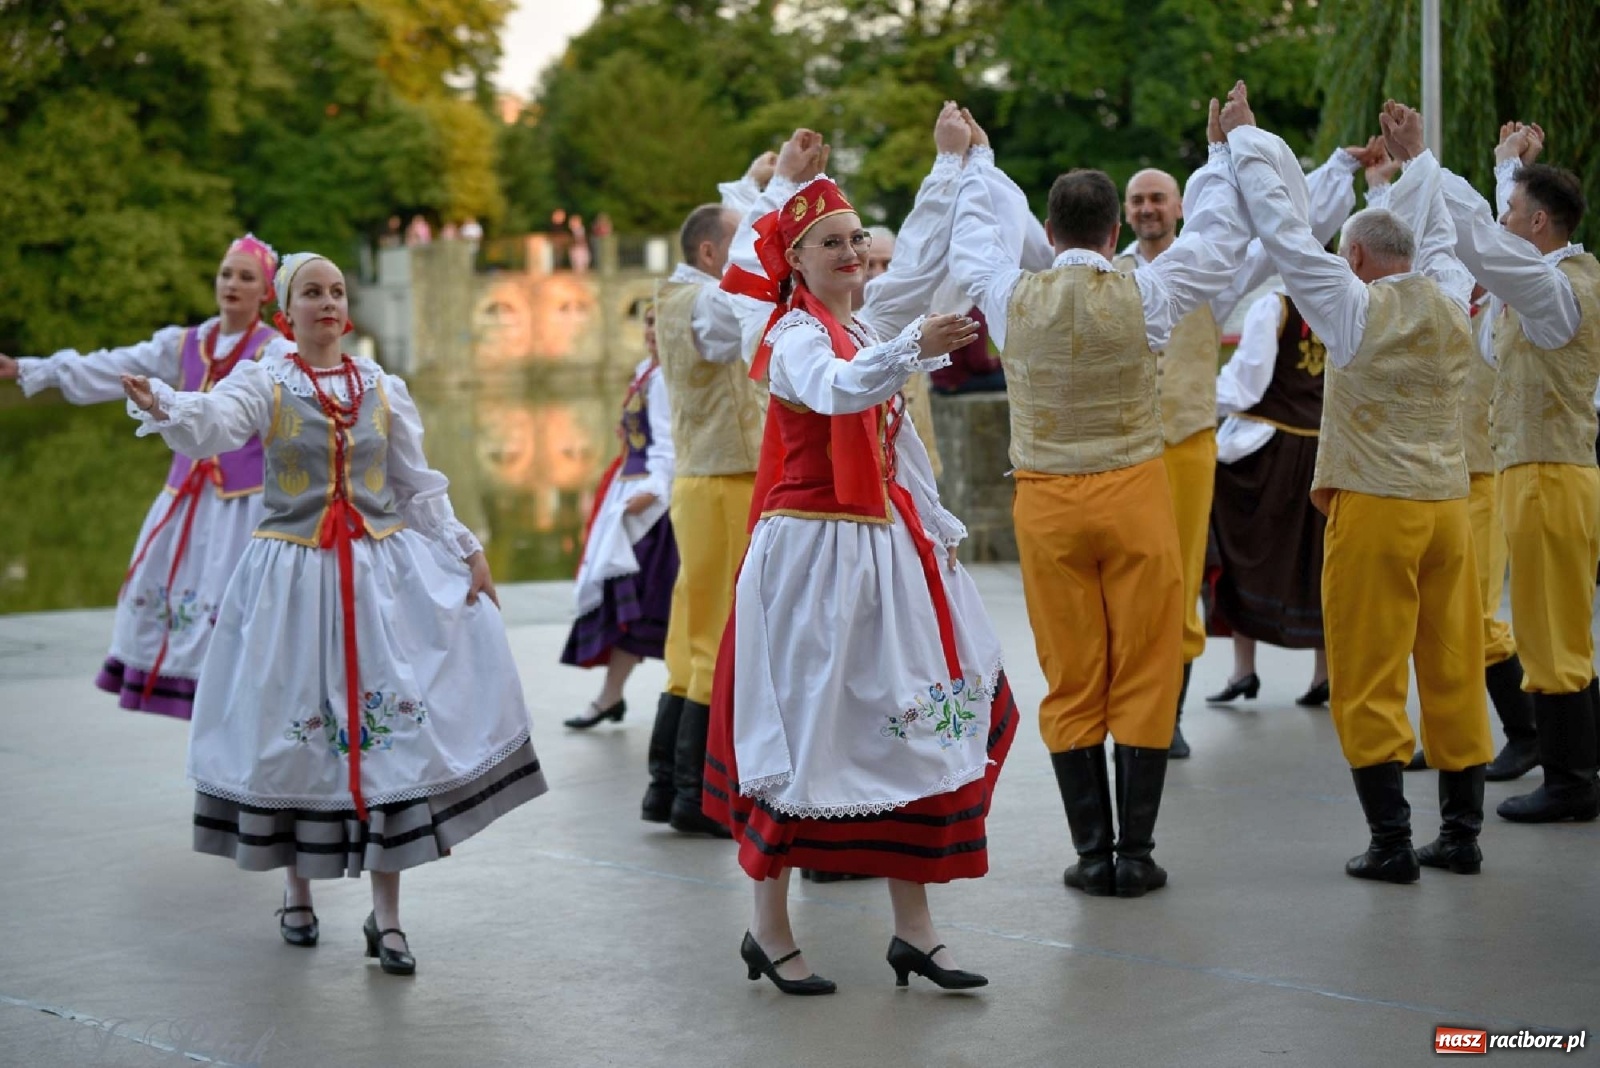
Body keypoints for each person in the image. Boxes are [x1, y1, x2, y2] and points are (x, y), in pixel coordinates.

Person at [120, 252, 547, 974]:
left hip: (378, 582)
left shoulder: (380, 385)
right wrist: (166, 403)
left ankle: (388, 919)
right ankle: (299, 894)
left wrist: (466, 549)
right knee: (298, 734)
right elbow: (217, 424)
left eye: (337, 291)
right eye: (311, 292)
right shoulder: (266, 380)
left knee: (390, 741)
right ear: (288, 312)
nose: (327, 302)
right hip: (291, 581)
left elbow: (415, 487)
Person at [704, 119, 1019, 995]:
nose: (851, 254)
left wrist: (953, 166)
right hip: (811, 559)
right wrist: (915, 346)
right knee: (804, 739)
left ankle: (914, 930)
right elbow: (840, 390)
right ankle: (767, 928)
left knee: (909, 729)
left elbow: (914, 259)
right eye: (829, 244)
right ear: (794, 263)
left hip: (886, 554)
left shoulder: (866, 320)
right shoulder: (791, 337)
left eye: (854, 241)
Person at [951, 96, 1249, 897]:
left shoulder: (1012, 298)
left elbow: (972, 238)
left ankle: (1091, 853)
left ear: (1049, 235)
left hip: (1048, 503)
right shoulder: (1144, 291)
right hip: (1135, 491)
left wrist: (973, 158)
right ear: (1117, 232)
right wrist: (1221, 154)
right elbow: (1215, 241)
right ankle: (1137, 853)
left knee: (1073, 671)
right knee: (1146, 665)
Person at [1229, 91, 1493, 882]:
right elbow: (1439, 233)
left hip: (1376, 505)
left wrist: (1246, 143)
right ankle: (1462, 834)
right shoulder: (1449, 296)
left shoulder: (1349, 305)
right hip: (1448, 505)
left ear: (1353, 259)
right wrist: (1417, 160)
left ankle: (1389, 843)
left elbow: (1283, 232)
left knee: (1371, 670)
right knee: (1453, 662)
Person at [1116, 140, 1370, 753]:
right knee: (1125, 581)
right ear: (1125, 212)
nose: (1148, 208)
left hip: (1184, 446)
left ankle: (1166, 717)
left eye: (1158, 198)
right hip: (1118, 451)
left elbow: (1289, 229)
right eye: (1138, 200)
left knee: (1177, 576)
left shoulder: (1209, 273)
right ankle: (1130, 705)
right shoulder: (1109, 273)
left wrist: (1334, 168)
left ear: (1179, 207)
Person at [0, 235, 282, 719]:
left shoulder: (274, 350)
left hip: (247, 503)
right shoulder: (187, 342)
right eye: (226, 274)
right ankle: (197, 706)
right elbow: (115, 366)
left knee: (238, 608)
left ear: (266, 293)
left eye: (246, 277)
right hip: (186, 502)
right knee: (178, 604)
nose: (232, 284)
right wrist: (32, 369)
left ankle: (244, 703)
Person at [1433, 120, 1600, 823]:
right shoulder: (1556, 277)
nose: (1503, 221)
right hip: (1544, 472)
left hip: (1547, 474)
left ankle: (1569, 781)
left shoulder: (1554, 287)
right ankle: (1571, 767)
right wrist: (1508, 169)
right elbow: (1505, 247)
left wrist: (1425, 169)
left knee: (1552, 630)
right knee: (1548, 625)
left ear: (1537, 222)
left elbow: (1489, 246)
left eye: (1513, 210)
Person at [1208, 285, 1331, 707]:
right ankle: (1324, 673)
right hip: (1327, 449)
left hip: (1273, 450)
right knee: (1319, 559)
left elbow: (1246, 384)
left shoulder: (1274, 305)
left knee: (1247, 554)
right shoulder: (1344, 298)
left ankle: (1244, 669)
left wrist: (1195, 401)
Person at [560, 303, 678, 730]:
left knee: (649, 603)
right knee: (633, 600)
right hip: (630, 490)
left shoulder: (667, 379)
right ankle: (611, 696)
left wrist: (651, 494)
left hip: (653, 504)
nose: (652, 330)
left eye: (661, 322)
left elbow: (668, 446)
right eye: (648, 321)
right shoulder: (647, 370)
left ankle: (689, 700)